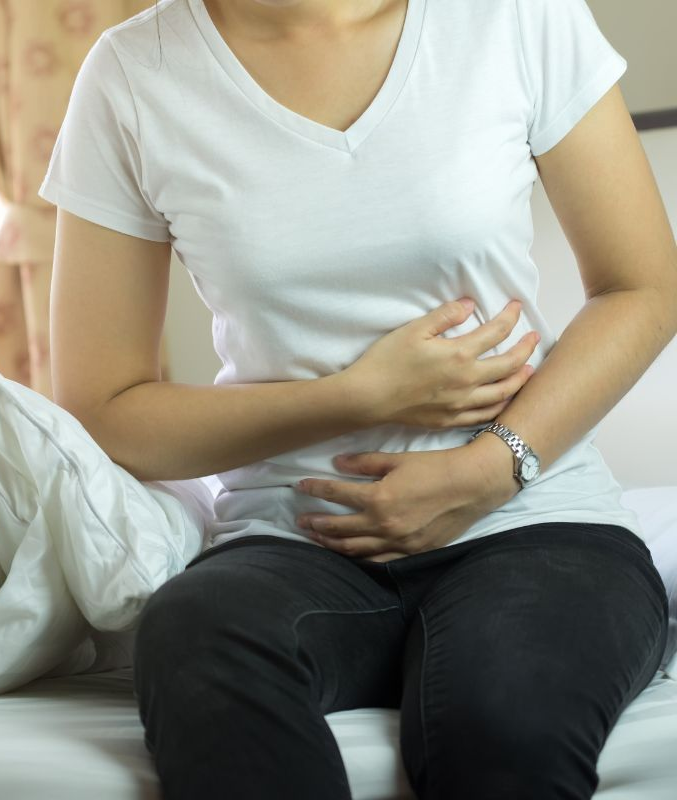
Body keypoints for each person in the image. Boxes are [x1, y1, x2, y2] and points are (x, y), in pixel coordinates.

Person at [39, 0, 677, 797]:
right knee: (194, 632)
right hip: (295, 540)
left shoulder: (513, 15)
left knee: (502, 728)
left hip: (531, 520)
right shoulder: (135, 72)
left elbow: (642, 287)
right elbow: (105, 407)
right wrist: (358, 395)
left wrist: (488, 469)